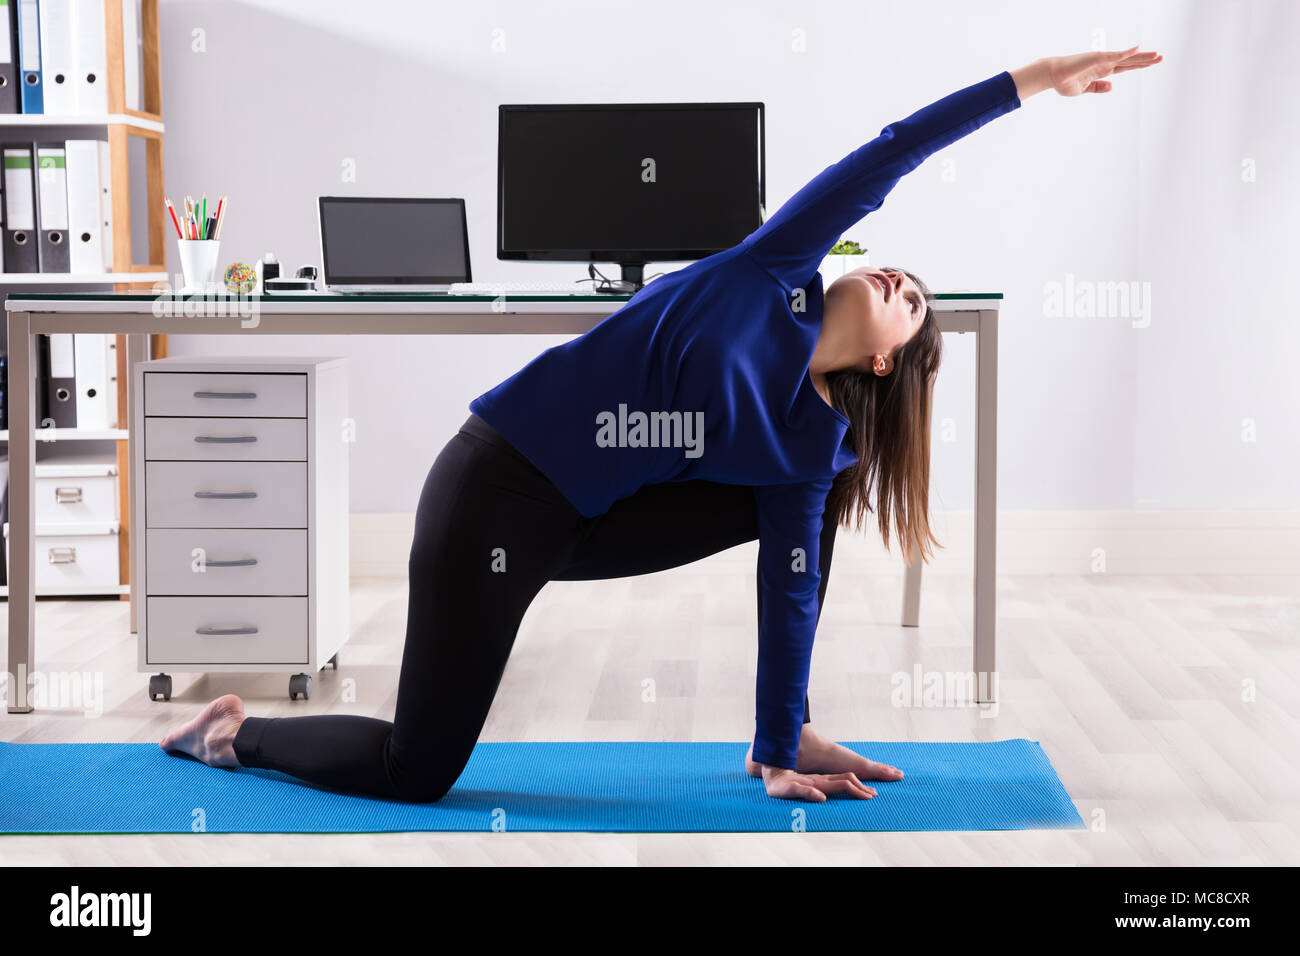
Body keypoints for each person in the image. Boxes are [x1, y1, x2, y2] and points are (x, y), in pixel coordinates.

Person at [161, 47, 1163, 804]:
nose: (900, 280)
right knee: (416, 768)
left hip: (581, 522)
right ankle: (233, 733)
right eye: (898, 271)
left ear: (885, 357)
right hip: (493, 494)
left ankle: (777, 737)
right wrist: (1034, 80)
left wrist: (785, 735)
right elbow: (893, 150)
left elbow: (790, 591)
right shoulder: (770, 269)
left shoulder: (807, 444)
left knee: (799, 519)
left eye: (912, 302)